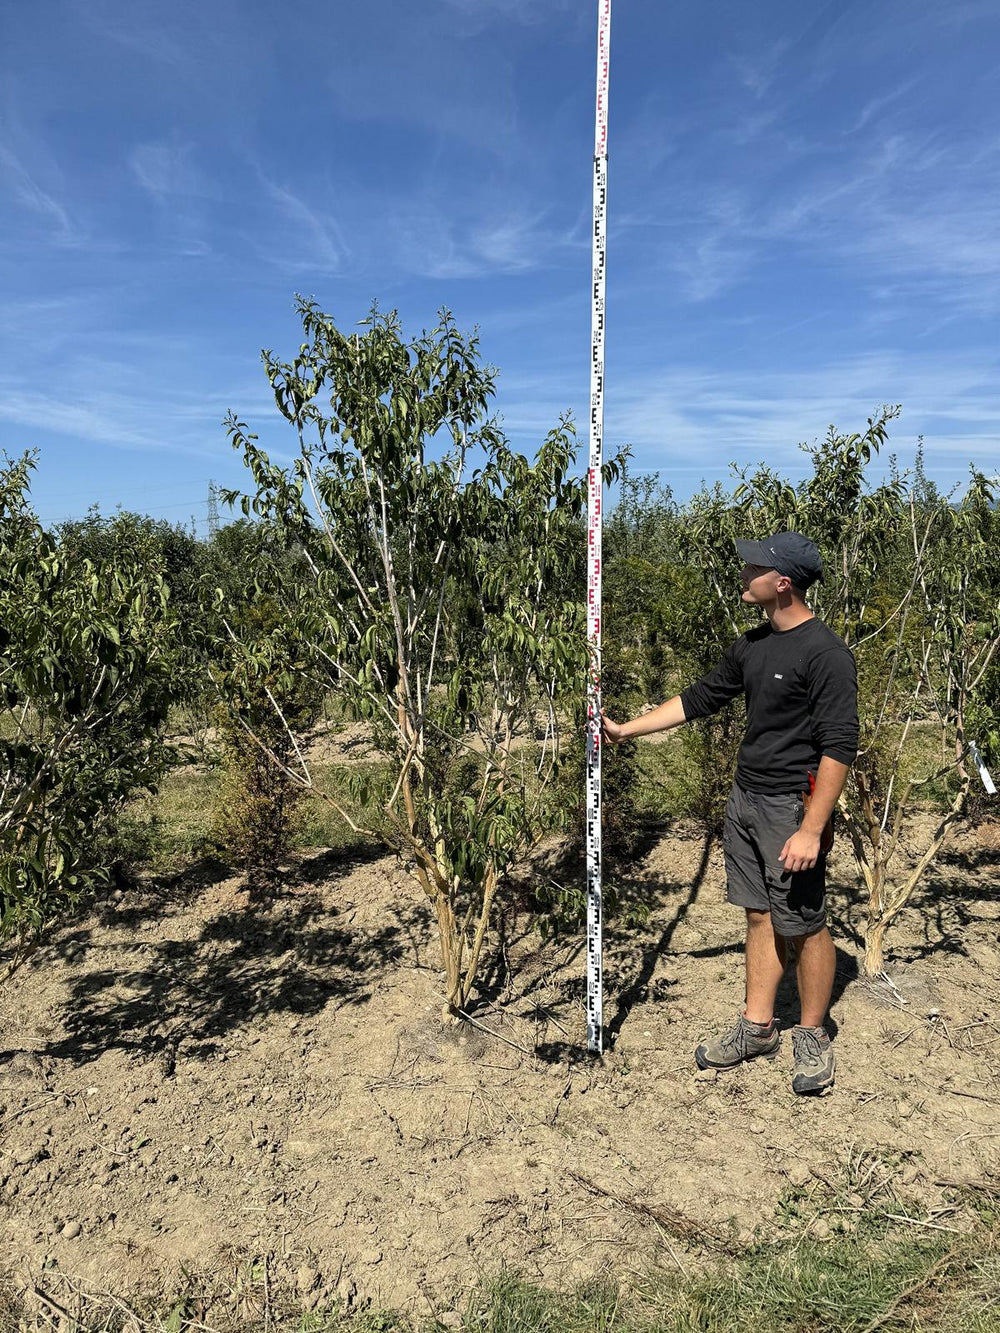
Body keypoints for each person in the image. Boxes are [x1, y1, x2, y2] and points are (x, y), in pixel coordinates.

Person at [601, 531, 857, 1094]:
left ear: (782, 581)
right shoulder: (753, 645)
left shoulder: (826, 654)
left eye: (754, 567)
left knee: (807, 924)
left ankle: (813, 1034)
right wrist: (626, 731)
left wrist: (812, 828)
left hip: (793, 807)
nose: (744, 574)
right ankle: (758, 1026)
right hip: (745, 799)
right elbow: (698, 699)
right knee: (759, 915)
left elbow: (840, 747)